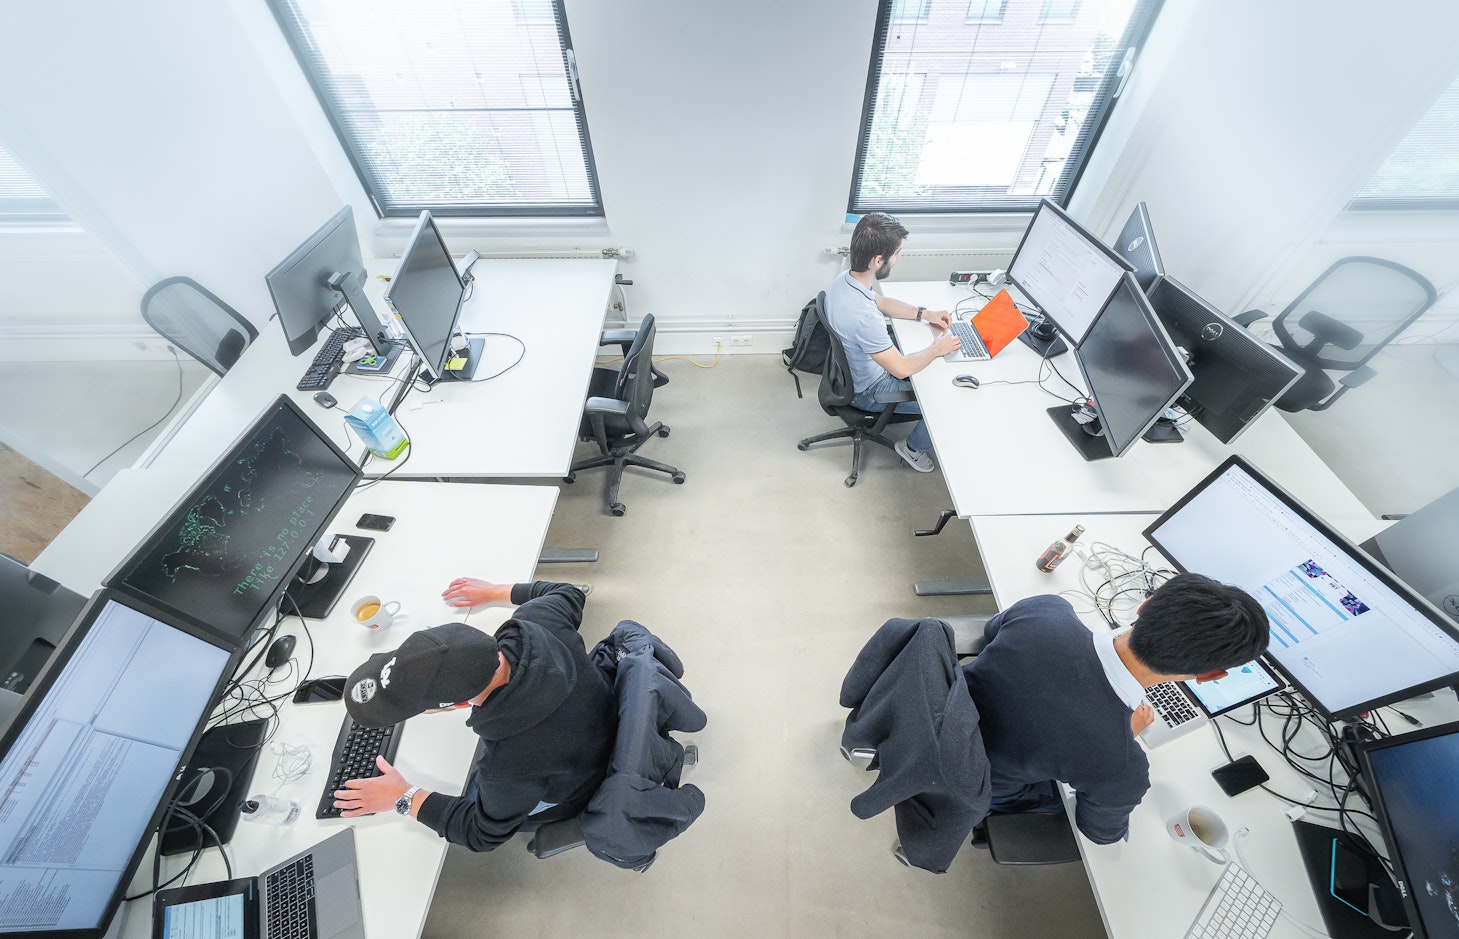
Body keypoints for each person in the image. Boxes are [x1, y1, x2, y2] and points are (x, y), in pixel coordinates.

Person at [962, 573, 1270, 844]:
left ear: (1144, 606)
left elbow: (991, 633)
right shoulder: (1121, 766)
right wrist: (1123, 738)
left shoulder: (1045, 611)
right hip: (970, 780)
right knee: (1057, 799)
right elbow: (1100, 832)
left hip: (934, 713)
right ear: (1210, 675)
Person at [334, 578, 616, 851]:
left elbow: (481, 833)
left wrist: (402, 796)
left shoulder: (510, 765)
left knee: (471, 795)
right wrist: (494, 592)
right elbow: (568, 592)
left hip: (578, 784)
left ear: (454, 704)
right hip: (599, 715)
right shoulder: (538, 620)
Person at [823, 212, 961, 473]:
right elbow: (901, 369)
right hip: (870, 391)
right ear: (878, 260)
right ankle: (911, 448)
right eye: (896, 253)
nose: (898, 258)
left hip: (848, 373)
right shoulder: (864, 318)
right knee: (945, 401)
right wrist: (937, 348)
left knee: (917, 352)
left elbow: (882, 303)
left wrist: (924, 313)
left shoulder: (846, 280)